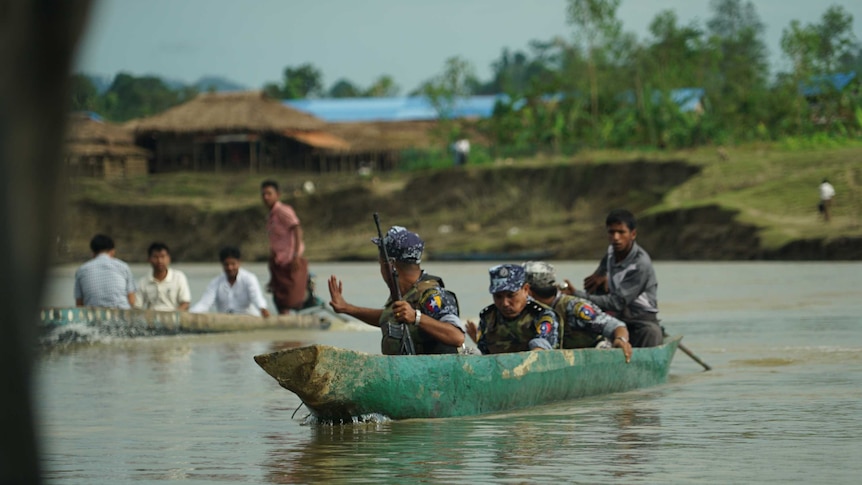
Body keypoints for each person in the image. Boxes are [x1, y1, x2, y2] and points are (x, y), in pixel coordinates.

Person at [328, 225, 465, 355]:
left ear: (390, 265)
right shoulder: (405, 292)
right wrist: (347, 308)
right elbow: (388, 316)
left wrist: (416, 317)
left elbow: (457, 336)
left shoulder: (432, 295)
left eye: (380, 262)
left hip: (434, 376)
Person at [562, 209, 663, 348]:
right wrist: (602, 278)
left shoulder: (640, 264)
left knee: (651, 333)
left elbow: (617, 302)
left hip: (640, 319)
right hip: (617, 316)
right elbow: (598, 276)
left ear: (632, 234)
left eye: (621, 232)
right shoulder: (611, 252)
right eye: (611, 232)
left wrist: (576, 294)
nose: (616, 237)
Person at [523, 261, 631, 363]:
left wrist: (620, 339)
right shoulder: (526, 310)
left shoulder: (573, 307)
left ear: (528, 291)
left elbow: (615, 326)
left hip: (592, 362)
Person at [470, 263, 559, 355]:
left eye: (511, 295)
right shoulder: (488, 316)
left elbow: (542, 348)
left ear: (525, 289)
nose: (505, 303)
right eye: (498, 296)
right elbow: (483, 352)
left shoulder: (541, 314)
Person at [261, 179, 310, 313]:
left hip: (290, 260)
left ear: (278, 195)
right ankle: (285, 327)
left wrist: (296, 256)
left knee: (291, 299)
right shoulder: (271, 215)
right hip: (279, 260)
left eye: (269, 194)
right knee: (280, 300)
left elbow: (297, 229)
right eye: (263, 194)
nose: (266, 197)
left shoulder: (283, 210)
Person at [190, 246, 270, 317]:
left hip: (249, 319)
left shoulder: (249, 279)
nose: (230, 268)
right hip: (225, 321)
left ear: (239, 263)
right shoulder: (216, 282)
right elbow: (204, 303)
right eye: (226, 265)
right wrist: (190, 314)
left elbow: (256, 298)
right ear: (222, 265)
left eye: (233, 264)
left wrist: (262, 309)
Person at [74, 234, 136, 309]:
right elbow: (132, 300)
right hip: (121, 317)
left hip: (94, 318)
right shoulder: (123, 267)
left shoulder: (81, 271)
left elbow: (79, 305)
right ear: (112, 251)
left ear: (93, 253)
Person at [136, 242, 192, 311]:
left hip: (174, 318)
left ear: (169, 258)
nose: (160, 261)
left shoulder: (178, 277)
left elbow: (185, 303)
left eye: (163, 256)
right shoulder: (143, 282)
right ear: (149, 259)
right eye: (155, 257)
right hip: (151, 319)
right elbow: (137, 307)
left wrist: (173, 317)